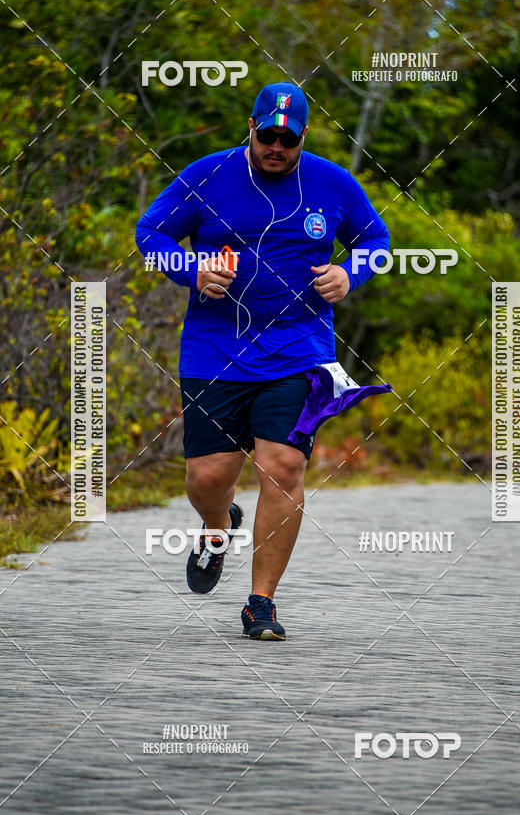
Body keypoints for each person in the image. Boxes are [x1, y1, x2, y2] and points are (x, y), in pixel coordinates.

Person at [135, 81, 390, 640]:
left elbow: (375, 238)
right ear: (249, 127)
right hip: (215, 350)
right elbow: (150, 233)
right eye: (267, 135)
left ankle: (261, 604)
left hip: (298, 350)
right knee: (208, 476)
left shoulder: (332, 183)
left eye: (288, 139)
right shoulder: (207, 176)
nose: (276, 146)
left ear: (303, 137)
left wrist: (351, 273)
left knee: (284, 467)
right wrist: (192, 268)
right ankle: (217, 524)